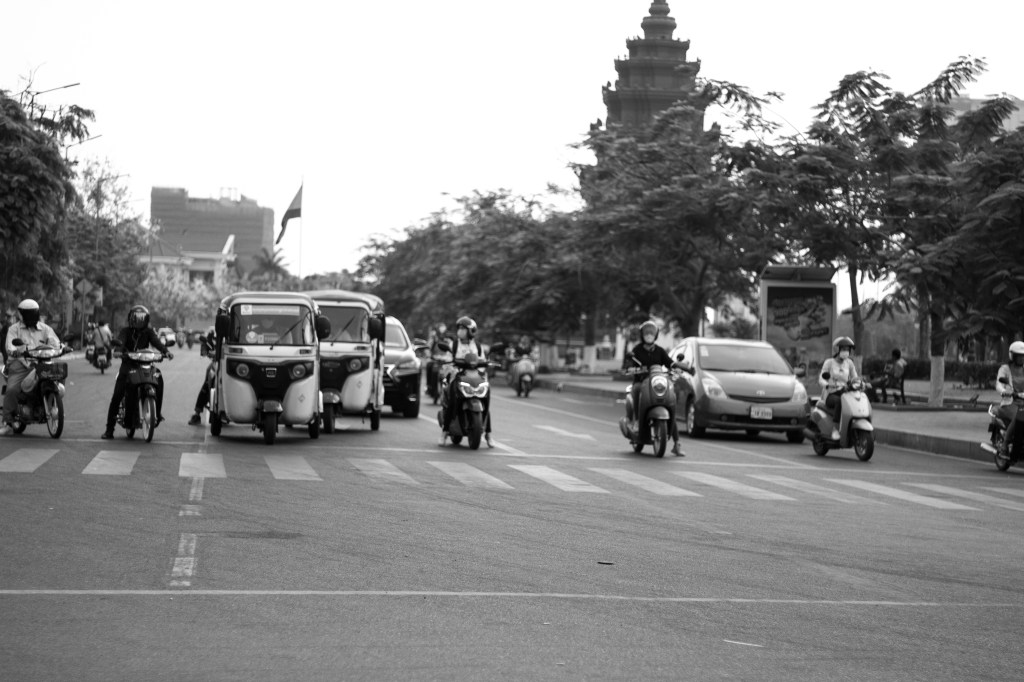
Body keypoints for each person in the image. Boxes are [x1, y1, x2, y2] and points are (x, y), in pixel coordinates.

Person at [101, 305, 172, 439]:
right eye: (136, 318)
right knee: (117, 395)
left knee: (159, 376)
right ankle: (109, 429)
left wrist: (166, 351)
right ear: (130, 319)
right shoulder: (125, 331)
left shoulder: (149, 332)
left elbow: (156, 342)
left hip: (145, 363)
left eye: (142, 318)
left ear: (146, 320)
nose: (139, 321)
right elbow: (120, 342)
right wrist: (118, 351)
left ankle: (157, 411)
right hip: (128, 365)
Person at [623, 320, 684, 457]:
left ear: (656, 335)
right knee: (637, 389)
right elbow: (628, 365)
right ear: (642, 334)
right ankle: (638, 421)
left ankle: (677, 444)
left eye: (652, 332)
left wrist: (678, 367)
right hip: (641, 382)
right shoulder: (637, 350)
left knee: (670, 402)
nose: (649, 335)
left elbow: (669, 363)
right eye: (646, 332)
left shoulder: (660, 351)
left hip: (657, 383)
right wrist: (633, 368)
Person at [2, 300, 63, 435]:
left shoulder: (45, 328)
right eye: (28, 313)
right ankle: (7, 422)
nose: (31, 316)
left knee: (57, 374)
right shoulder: (14, 329)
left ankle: (47, 400)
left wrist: (63, 348)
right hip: (20, 364)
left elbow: (56, 342)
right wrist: (15, 350)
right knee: (12, 390)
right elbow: (10, 347)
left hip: (40, 363)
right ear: (22, 314)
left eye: (33, 312)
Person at [439, 316, 493, 447]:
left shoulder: (478, 346)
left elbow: (482, 362)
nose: (460, 331)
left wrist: (485, 366)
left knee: (485, 400)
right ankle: (445, 431)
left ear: (471, 331)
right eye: (459, 328)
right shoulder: (454, 344)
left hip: (475, 378)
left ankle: (488, 434)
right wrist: (449, 365)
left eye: (463, 328)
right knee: (453, 401)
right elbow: (448, 359)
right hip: (458, 377)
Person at [819, 336, 860, 441]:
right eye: (843, 349)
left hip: (845, 392)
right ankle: (835, 429)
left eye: (847, 349)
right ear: (837, 349)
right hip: (831, 394)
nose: (846, 352)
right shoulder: (829, 362)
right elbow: (821, 378)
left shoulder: (849, 363)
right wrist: (827, 384)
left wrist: (860, 383)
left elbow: (855, 377)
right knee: (839, 402)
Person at [995, 341, 1024, 457]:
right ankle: (1004, 445)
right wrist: (1004, 392)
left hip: (1022, 403)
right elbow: (999, 384)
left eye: (1023, 357)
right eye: (1019, 356)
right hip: (1010, 402)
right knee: (1018, 417)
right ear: (1013, 356)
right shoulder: (1005, 369)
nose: (1021, 359)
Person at [188, 327, 218, 426]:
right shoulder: (213, 333)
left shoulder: (241, 333)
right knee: (206, 384)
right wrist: (209, 352)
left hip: (232, 363)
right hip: (217, 363)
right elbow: (206, 349)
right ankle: (197, 413)